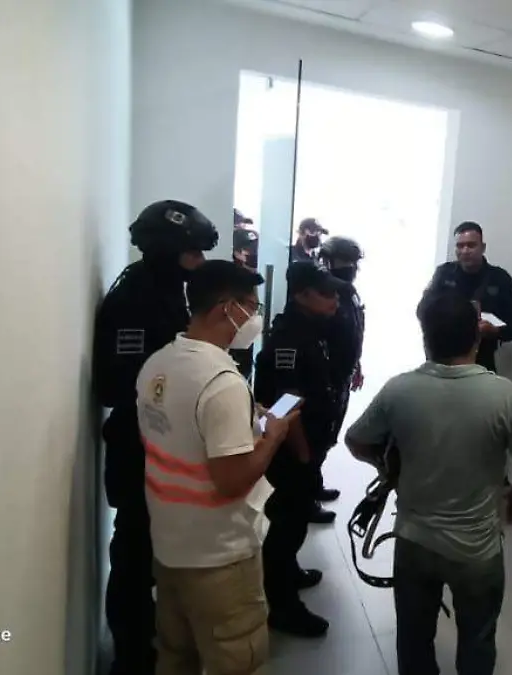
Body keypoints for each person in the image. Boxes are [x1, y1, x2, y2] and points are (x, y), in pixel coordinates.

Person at [345, 292, 512, 675]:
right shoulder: (503, 394)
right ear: (477, 337)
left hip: (414, 541)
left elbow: (356, 440)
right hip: (476, 550)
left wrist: (387, 469)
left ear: (426, 337)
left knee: (413, 637)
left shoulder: (400, 389)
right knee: (478, 637)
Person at [136, 260, 298, 675]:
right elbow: (231, 481)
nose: (256, 320)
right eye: (252, 308)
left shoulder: (158, 363)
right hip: (220, 558)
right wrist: (272, 437)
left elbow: (179, 438)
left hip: (169, 546)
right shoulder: (221, 382)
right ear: (227, 308)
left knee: (176, 657)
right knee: (237, 659)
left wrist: (245, 423)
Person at [93, 200, 218, 675]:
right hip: (137, 449)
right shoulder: (134, 299)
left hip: (162, 446)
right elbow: (117, 385)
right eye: (193, 253)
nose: (199, 262)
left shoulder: (169, 290)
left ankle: (153, 642)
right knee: (133, 554)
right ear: (167, 251)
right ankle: (130, 658)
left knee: (153, 551)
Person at [254, 262, 345, 637]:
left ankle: (289, 572)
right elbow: (285, 403)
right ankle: (282, 606)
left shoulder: (311, 329)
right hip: (291, 451)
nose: (335, 300)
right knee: (286, 525)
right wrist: (304, 456)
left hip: (307, 444)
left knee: (294, 522)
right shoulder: (290, 338)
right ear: (302, 295)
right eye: (326, 294)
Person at [416, 221, 512, 373]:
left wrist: (494, 331)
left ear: (483, 247)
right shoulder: (444, 273)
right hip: (443, 358)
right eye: (460, 246)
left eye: (471, 245)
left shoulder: (500, 278)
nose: (465, 251)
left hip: (482, 359)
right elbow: (422, 310)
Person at [316, 236, 366, 511]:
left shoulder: (349, 292)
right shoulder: (322, 292)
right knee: (317, 437)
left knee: (329, 435)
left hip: (343, 375)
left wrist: (356, 364)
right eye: (345, 261)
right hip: (324, 378)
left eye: (353, 262)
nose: (350, 267)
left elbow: (354, 331)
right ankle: (305, 496)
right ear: (329, 261)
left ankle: (314, 484)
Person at [230, 227, 260, 380]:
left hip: (247, 344)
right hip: (232, 343)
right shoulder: (231, 278)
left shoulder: (252, 276)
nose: (255, 253)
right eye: (249, 249)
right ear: (236, 252)